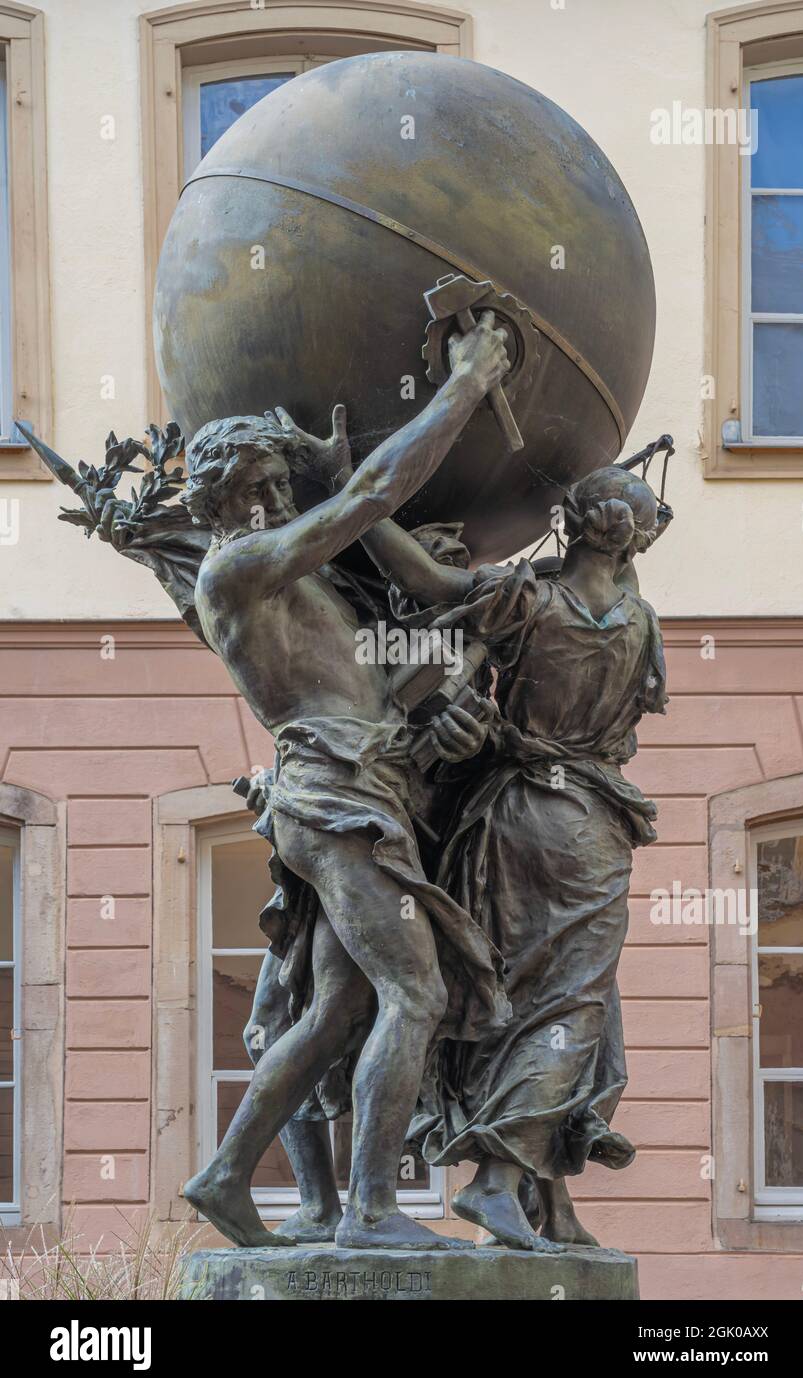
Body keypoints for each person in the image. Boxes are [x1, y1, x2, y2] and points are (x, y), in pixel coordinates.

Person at [181, 315, 513, 1251]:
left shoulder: (284, 570)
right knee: (417, 996)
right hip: (337, 803)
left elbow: (397, 548)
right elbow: (371, 496)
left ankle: (224, 1177)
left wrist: (464, 598)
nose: (285, 497)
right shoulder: (239, 569)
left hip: (350, 796)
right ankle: (370, 1211)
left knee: (340, 1008)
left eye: (289, 483)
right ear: (239, 493)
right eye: (274, 485)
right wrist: (465, 387)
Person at [340, 462, 671, 1250]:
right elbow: (622, 735)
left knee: (533, 1002)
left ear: (574, 525)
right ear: (637, 539)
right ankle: (494, 1182)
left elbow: (424, 582)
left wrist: (353, 498)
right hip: (584, 824)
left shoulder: (529, 597)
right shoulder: (641, 620)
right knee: (572, 1005)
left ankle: (545, 1202)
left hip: (513, 815)